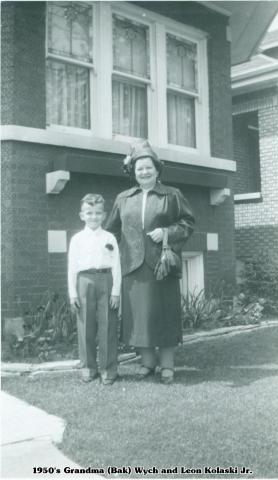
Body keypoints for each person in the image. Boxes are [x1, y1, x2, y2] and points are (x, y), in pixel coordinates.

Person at [106, 140, 194, 384]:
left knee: (164, 316)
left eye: (148, 167)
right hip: (132, 267)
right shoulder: (123, 198)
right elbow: (111, 231)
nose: (144, 172)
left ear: (157, 170)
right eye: (139, 168)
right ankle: (148, 363)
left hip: (161, 267)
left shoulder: (172, 195)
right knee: (138, 318)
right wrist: (113, 254)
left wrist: (167, 232)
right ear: (133, 172)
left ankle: (167, 366)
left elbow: (188, 223)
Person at [68, 194, 121, 385]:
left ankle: (108, 370)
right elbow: (72, 267)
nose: (93, 217)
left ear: (104, 215)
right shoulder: (77, 239)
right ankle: (88, 368)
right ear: (82, 215)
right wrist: (73, 293)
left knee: (108, 325)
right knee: (85, 326)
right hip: (84, 281)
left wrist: (116, 290)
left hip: (106, 280)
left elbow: (116, 265)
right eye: (89, 213)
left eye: (98, 213)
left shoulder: (109, 237)